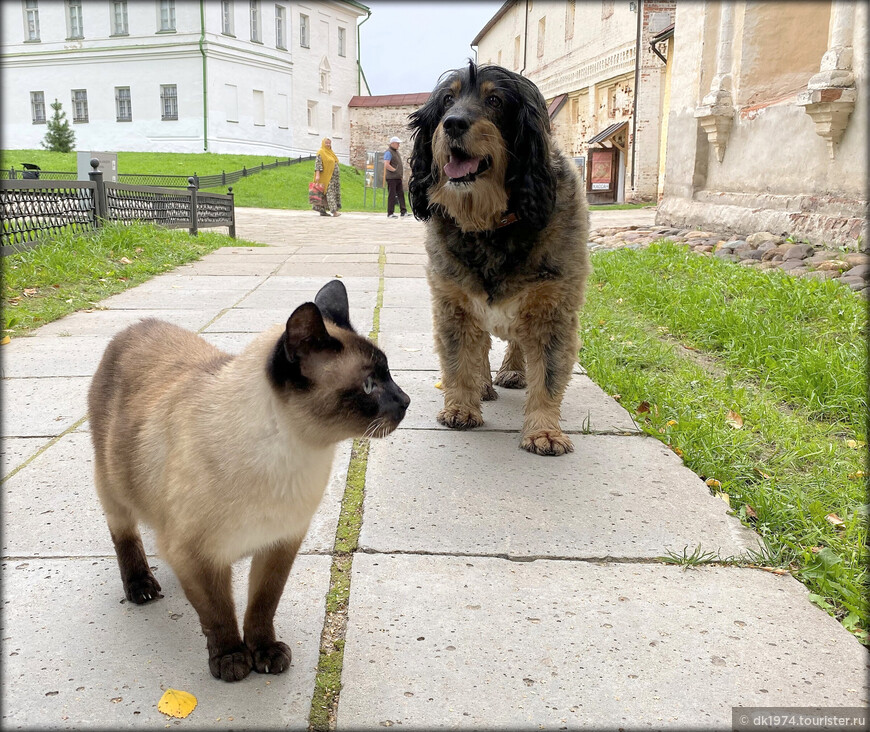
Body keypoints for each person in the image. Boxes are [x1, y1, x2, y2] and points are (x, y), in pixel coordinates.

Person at [314, 137, 341, 217]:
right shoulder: (321, 152)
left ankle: (322, 211)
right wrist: (317, 175)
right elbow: (318, 165)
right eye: (326, 143)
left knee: (325, 194)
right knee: (330, 193)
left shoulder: (331, 153)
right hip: (325, 177)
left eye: (329, 143)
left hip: (333, 178)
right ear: (323, 143)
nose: (328, 145)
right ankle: (334, 211)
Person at [383, 136, 409, 218]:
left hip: (397, 177)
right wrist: (395, 171)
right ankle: (390, 213)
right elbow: (386, 164)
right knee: (392, 195)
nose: (398, 145)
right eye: (397, 143)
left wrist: (399, 174)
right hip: (391, 178)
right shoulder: (389, 152)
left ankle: (403, 211)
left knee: (401, 194)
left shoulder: (396, 152)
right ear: (392, 143)